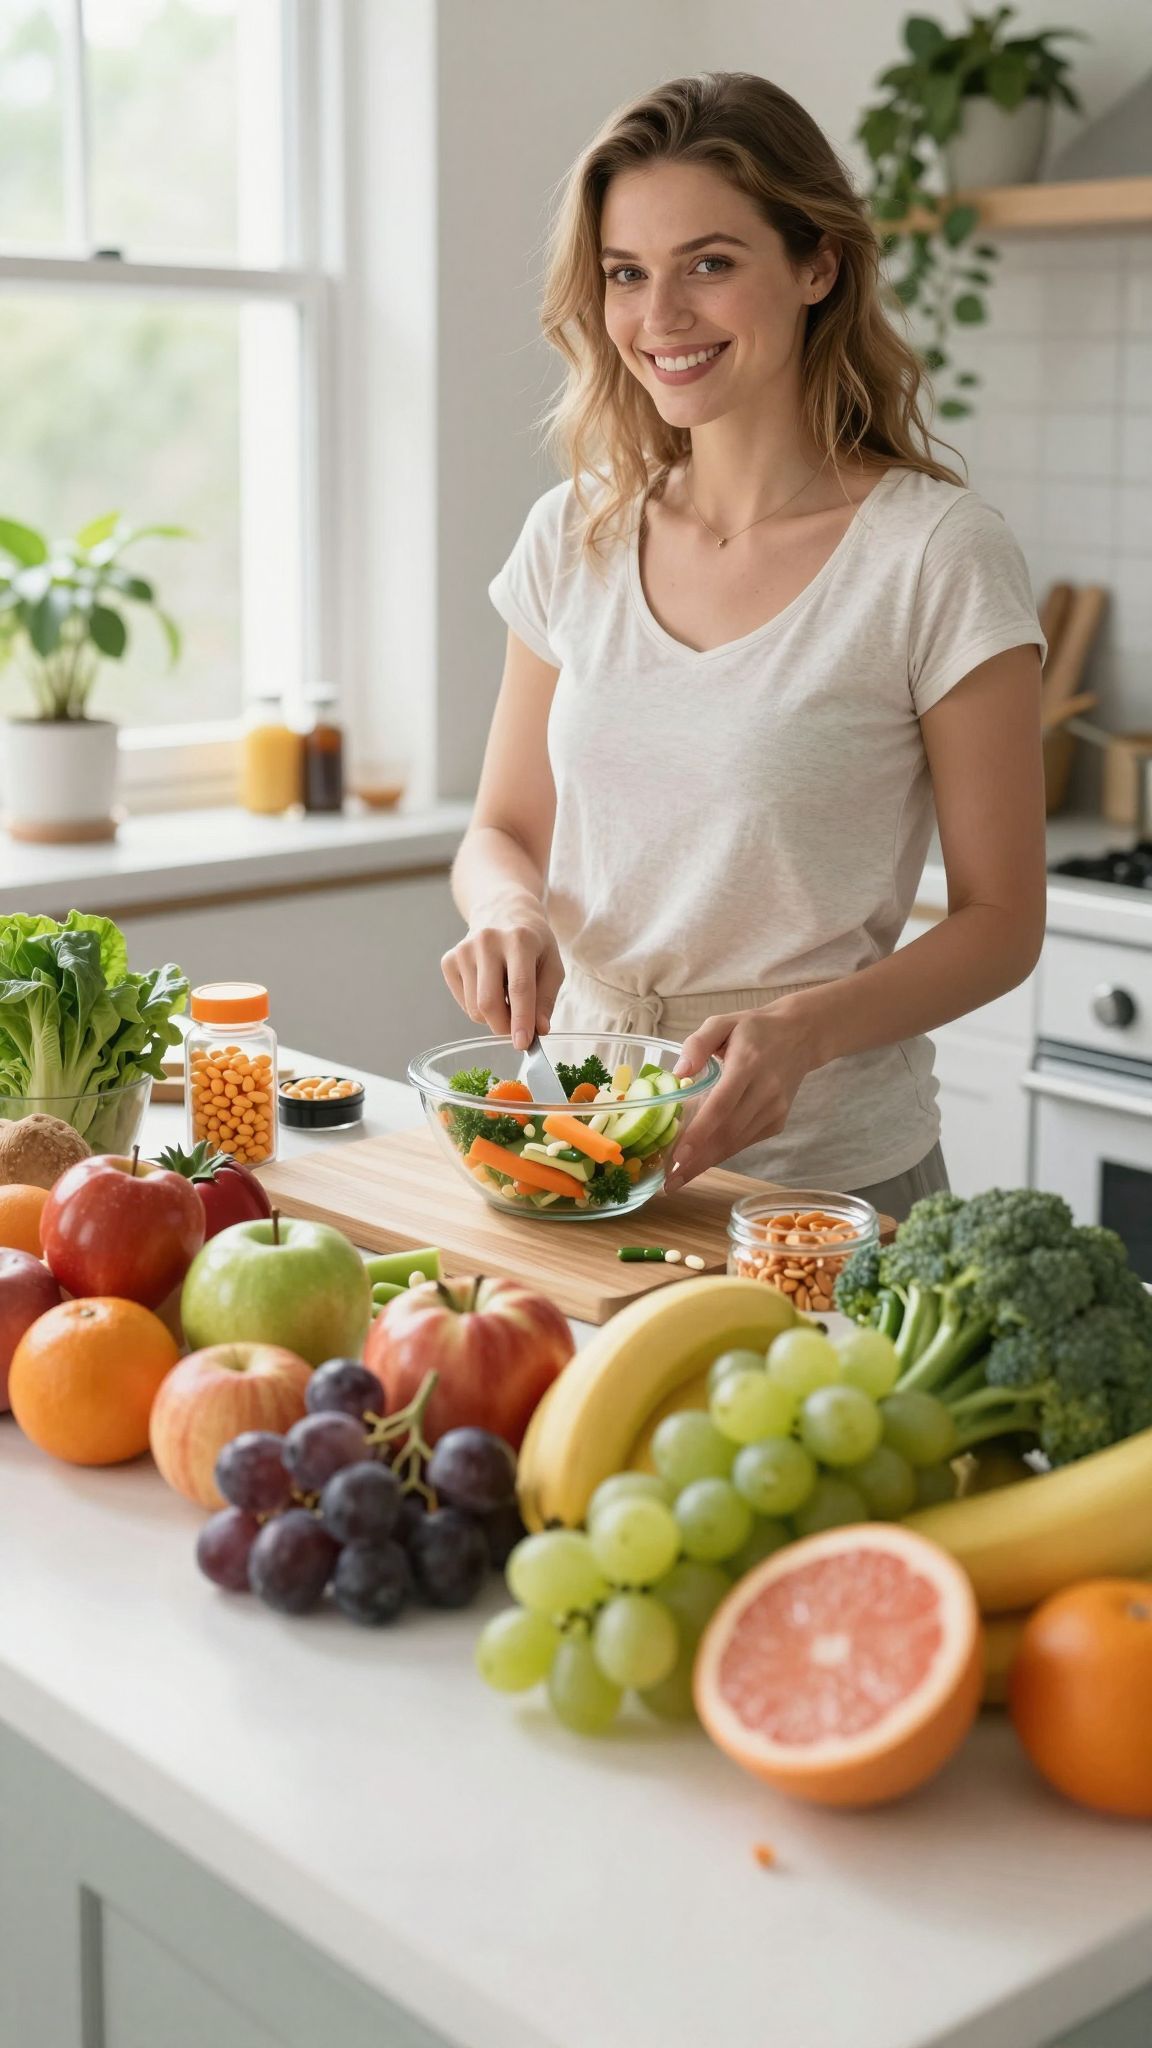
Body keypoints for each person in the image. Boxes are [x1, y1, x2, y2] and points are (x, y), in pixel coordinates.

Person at [442, 70, 1047, 1221]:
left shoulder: (934, 554)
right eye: (627, 274)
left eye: (709, 264)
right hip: (578, 1146)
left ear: (816, 265)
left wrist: (800, 1031)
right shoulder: (574, 531)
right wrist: (506, 913)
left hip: (824, 1183)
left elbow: (1001, 923)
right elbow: (502, 831)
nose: (658, 318)